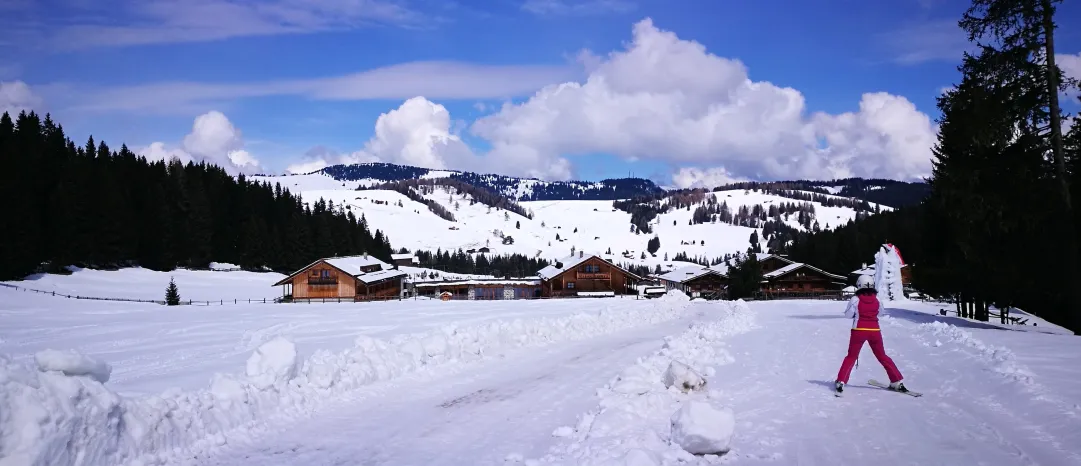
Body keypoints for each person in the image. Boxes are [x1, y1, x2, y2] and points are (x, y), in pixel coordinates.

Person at [834, 279, 907, 394]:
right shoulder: (877, 299)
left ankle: (841, 381)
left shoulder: (855, 299)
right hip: (874, 330)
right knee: (882, 356)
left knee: (851, 357)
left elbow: (848, 315)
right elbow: (881, 313)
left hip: (859, 330)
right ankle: (897, 381)